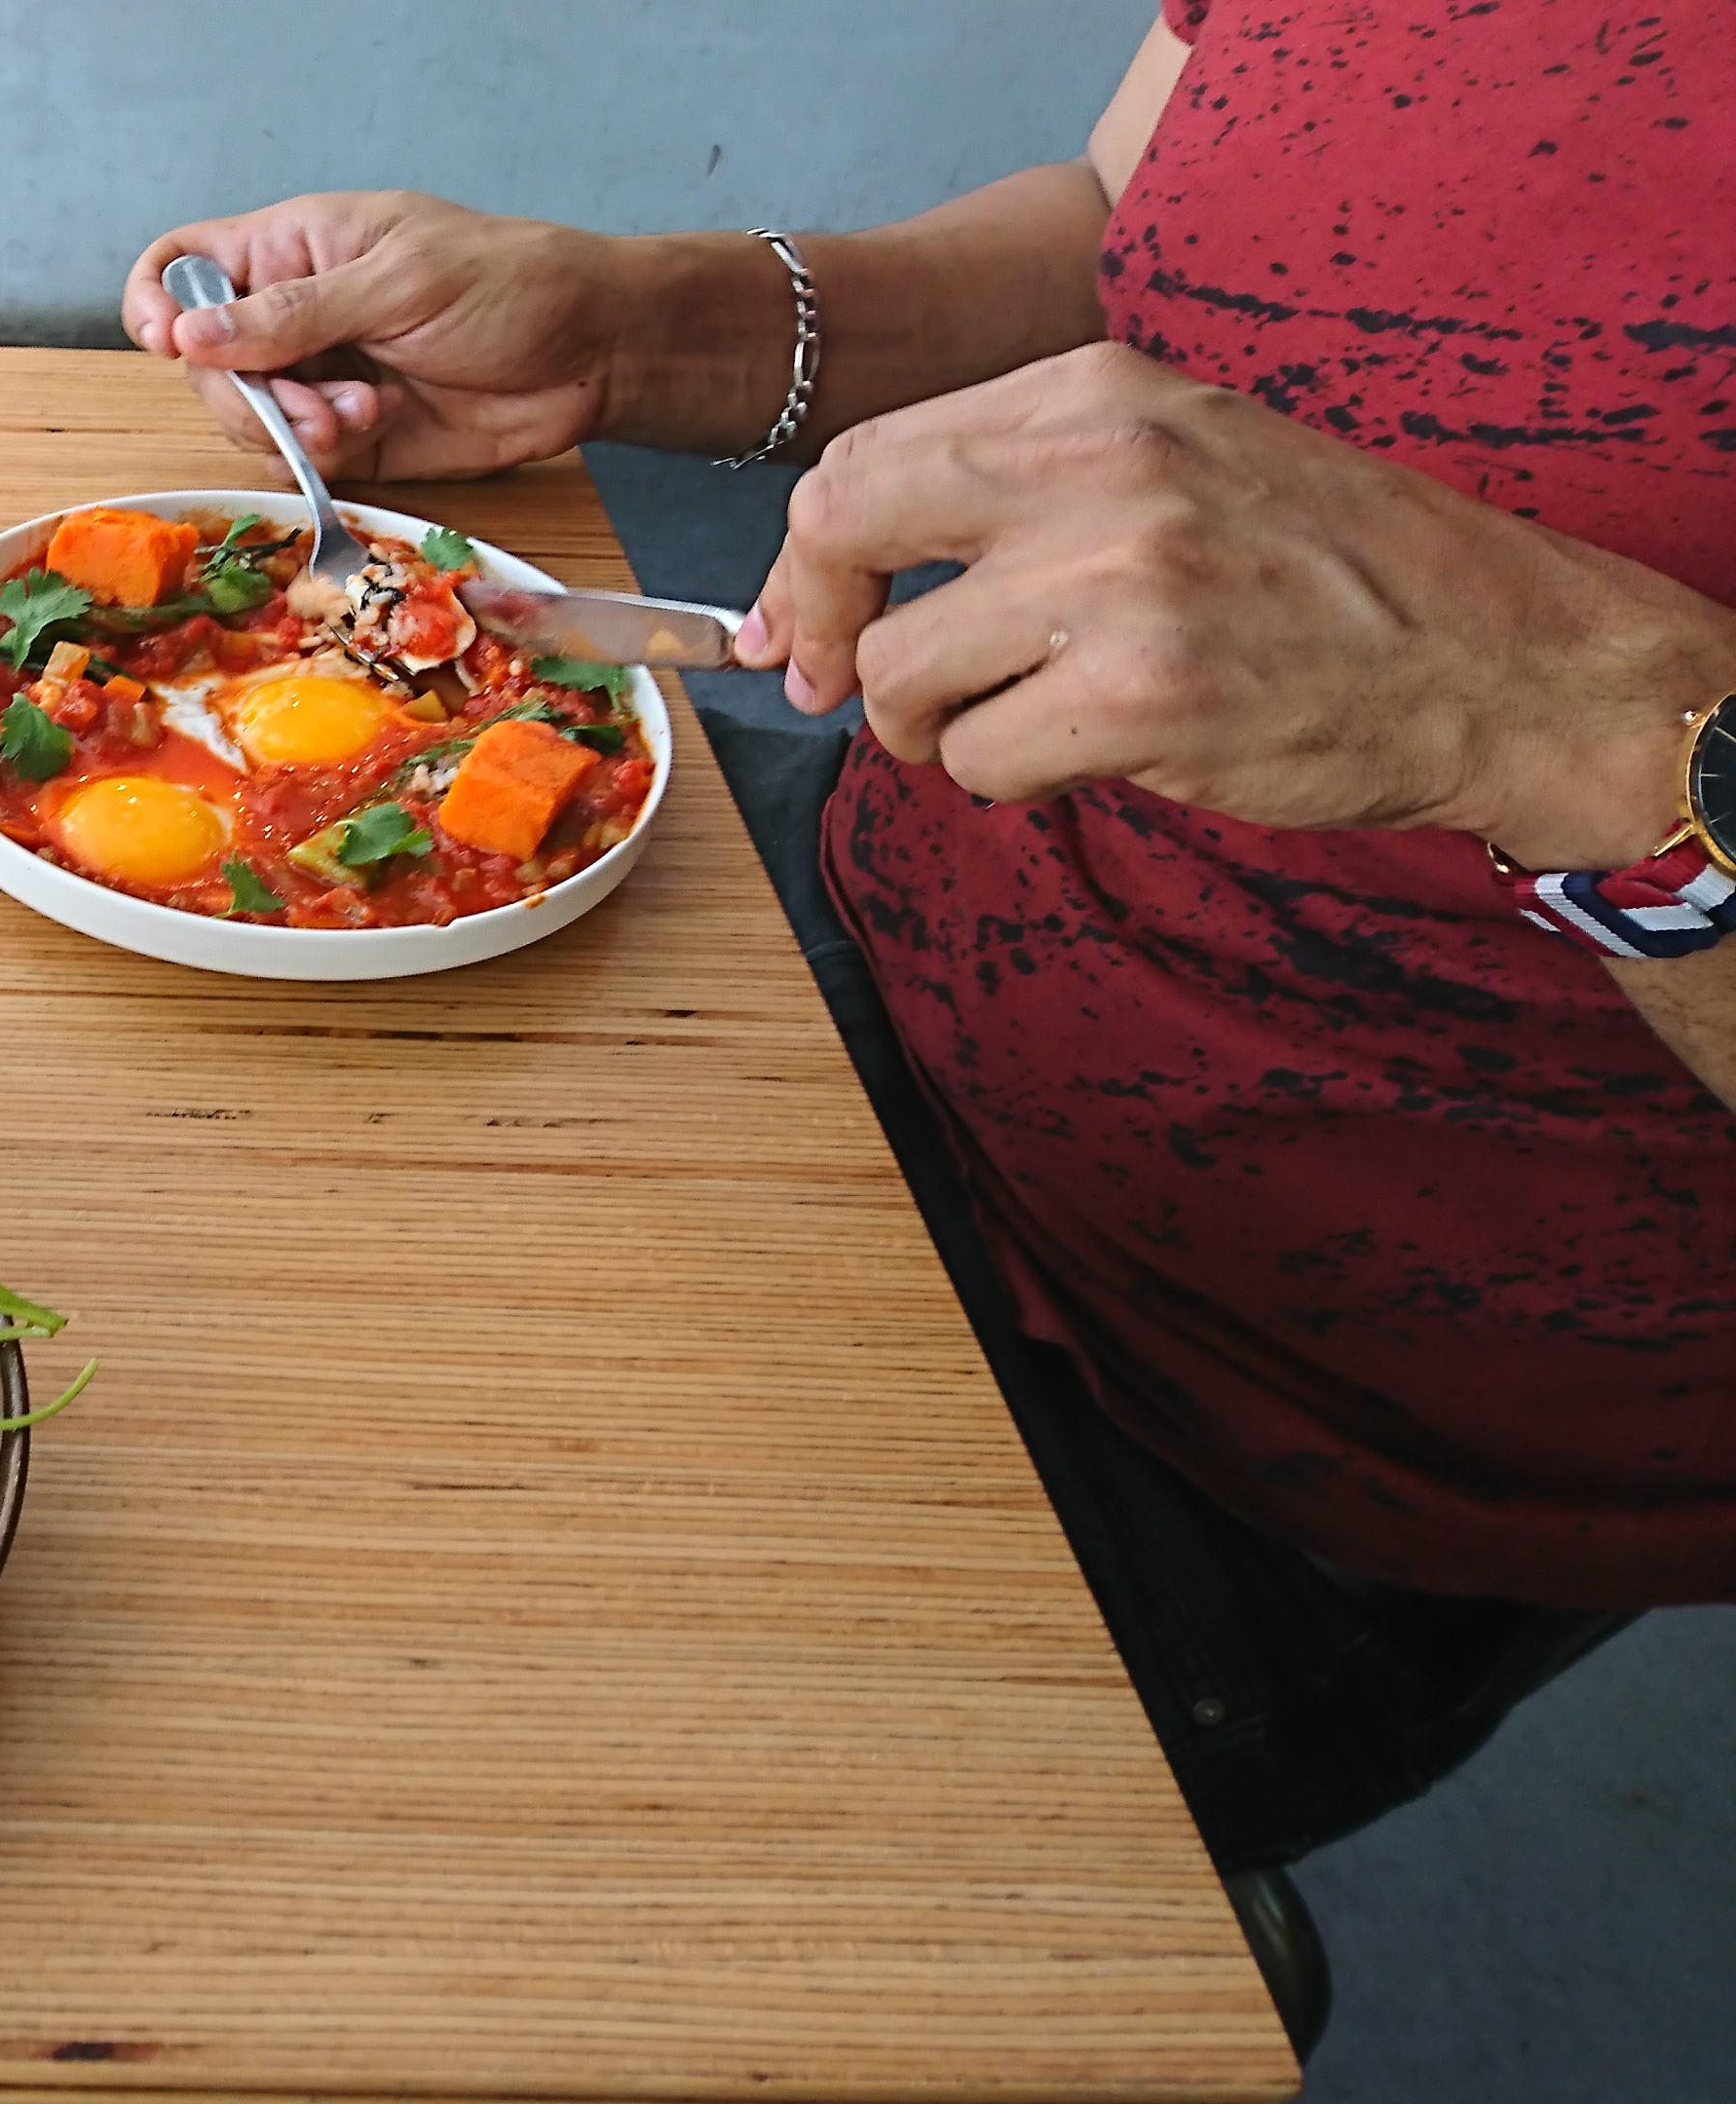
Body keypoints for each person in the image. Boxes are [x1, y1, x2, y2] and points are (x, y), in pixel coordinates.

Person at [125, 0, 1733, 2045]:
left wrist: (1580, 722)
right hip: (864, 903)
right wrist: (640, 334)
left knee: (428, 1847)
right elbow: (1133, 239)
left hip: (1262, 1420)